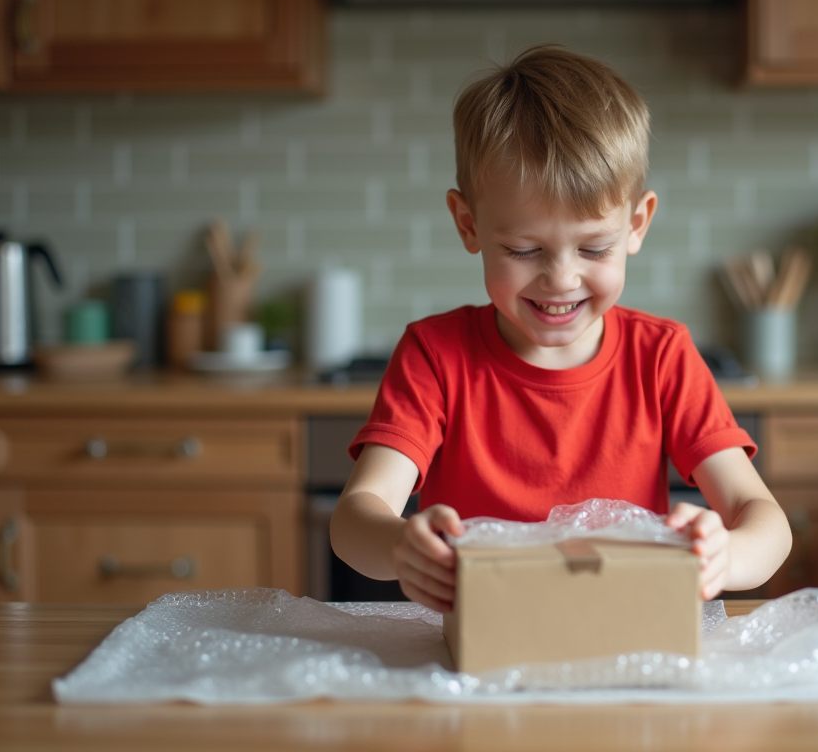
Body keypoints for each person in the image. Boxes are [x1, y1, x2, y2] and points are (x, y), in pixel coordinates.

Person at [330, 45, 791, 613]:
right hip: (480, 653)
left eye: (594, 247)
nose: (561, 279)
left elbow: (765, 519)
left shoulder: (661, 356)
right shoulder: (435, 355)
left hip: (623, 645)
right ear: (468, 224)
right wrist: (403, 546)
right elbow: (356, 516)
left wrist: (728, 555)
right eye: (524, 250)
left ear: (636, 225)